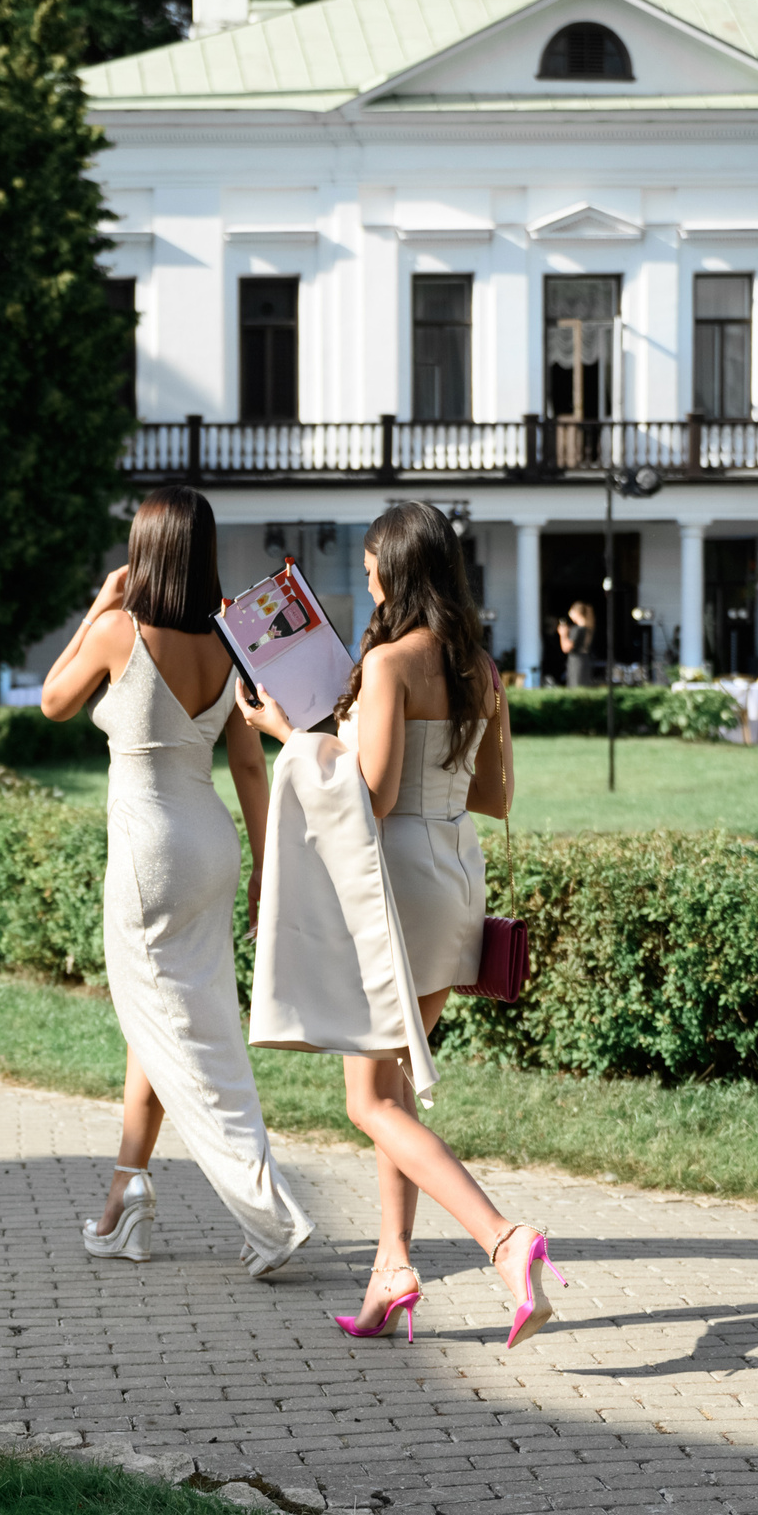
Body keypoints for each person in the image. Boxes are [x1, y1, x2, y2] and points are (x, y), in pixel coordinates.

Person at [236, 499, 561, 1346]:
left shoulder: (388, 664)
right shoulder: (482, 669)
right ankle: (393, 1267)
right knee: (397, 1089)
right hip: (458, 880)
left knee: (370, 1099)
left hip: (398, 886)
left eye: (376, 562)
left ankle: (503, 1239)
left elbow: (370, 797)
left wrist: (292, 735)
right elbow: (495, 796)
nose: (369, 574)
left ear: (398, 572)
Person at [39, 485, 315, 1278]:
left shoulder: (118, 630)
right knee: (165, 1023)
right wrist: (268, 867)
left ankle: (271, 1214)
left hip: (148, 852)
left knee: (185, 1038)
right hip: (212, 845)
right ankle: (126, 1195)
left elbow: (57, 701)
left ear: (144, 550)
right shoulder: (229, 642)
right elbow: (250, 769)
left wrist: (96, 604)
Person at [556, 601, 595, 687]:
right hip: (585, 661)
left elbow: (566, 648)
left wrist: (563, 634)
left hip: (576, 663)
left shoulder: (577, 629)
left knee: (575, 686)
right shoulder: (589, 628)